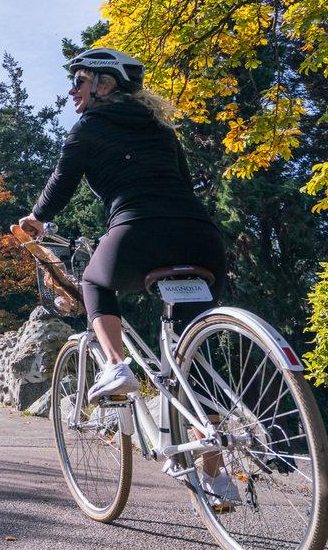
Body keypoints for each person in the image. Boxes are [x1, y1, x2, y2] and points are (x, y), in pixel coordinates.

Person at [17, 47, 237, 504]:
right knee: (190, 354)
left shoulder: (89, 127)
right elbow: (181, 181)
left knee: (95, 282)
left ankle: (117, 367)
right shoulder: (161, 129)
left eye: (79, 80)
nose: (72, 90)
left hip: (139, 231)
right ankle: (216, 474)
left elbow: (62, 179)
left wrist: (36, 218)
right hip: (201, 240)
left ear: (105, 84)